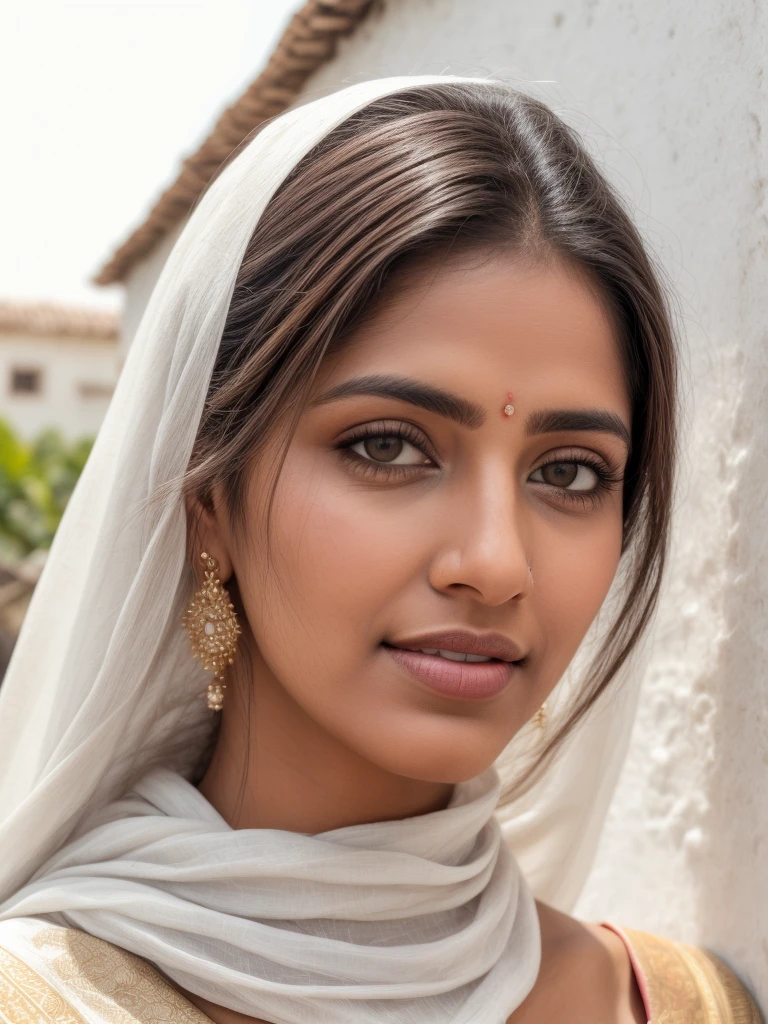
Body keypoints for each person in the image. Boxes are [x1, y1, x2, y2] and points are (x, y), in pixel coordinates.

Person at [0, 75, 760, 1024]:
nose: (495, 562)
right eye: (388, 446)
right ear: (209, 506)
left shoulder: (678, 1008)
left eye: (568, 473)